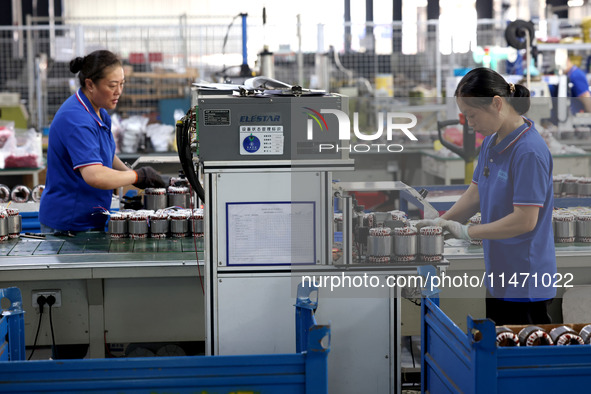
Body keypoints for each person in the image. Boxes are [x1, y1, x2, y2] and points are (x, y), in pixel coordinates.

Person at [418, 67, 556, 326]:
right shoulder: (492, 143)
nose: (469, 123)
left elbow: (525, 221)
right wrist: (441, 223)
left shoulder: (528, 152)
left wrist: (468, 232)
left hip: (526, 281)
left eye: (471, 115)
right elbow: (475, 195)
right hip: (500, 274)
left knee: (521, 361)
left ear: (496, 103)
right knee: (497, 354)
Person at [39, 50, 165, 233]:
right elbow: (95, 175)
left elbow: (105, 155)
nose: (119, 92)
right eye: (112, 85)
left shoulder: (98, 112)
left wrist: (130, 173)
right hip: (68, 225)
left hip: (90, 218)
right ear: (90, 84)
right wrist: (137, 176)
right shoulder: (77, 119)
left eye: (122, 84)